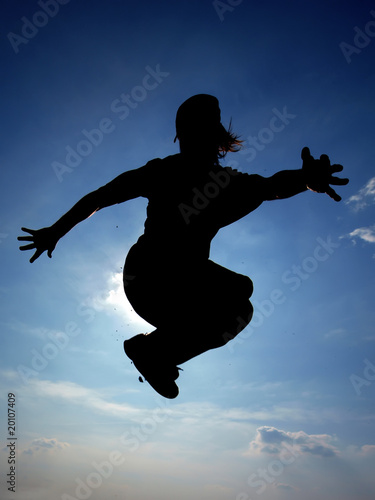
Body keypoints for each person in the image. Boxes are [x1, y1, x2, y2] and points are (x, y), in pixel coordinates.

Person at [18, 94, 349, 399]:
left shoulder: (226, 184)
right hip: (149, 274)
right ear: (186, 135)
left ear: (215, 136)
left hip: (167, 290)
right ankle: (154, 352)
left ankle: (157, 352)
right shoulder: (167, 172)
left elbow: (272, 186)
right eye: (194, 130)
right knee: (240, 292)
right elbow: (101, 197)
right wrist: (56, 230)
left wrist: (306, 179)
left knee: (240, 303)